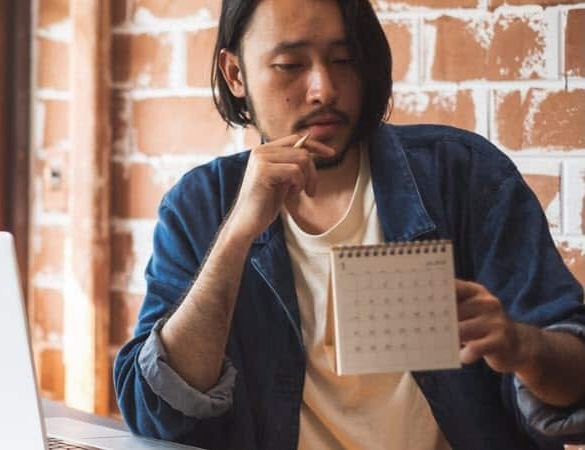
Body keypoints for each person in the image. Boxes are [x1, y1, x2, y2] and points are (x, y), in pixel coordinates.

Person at [111, 1, 585, 449]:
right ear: (235, 73)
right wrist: (236, 234)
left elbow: (576, 375)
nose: (325, 89)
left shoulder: (463, 175)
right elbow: (154, 410)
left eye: (344, 59)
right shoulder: (199, 205)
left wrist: (523, 346)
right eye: (291, 65)